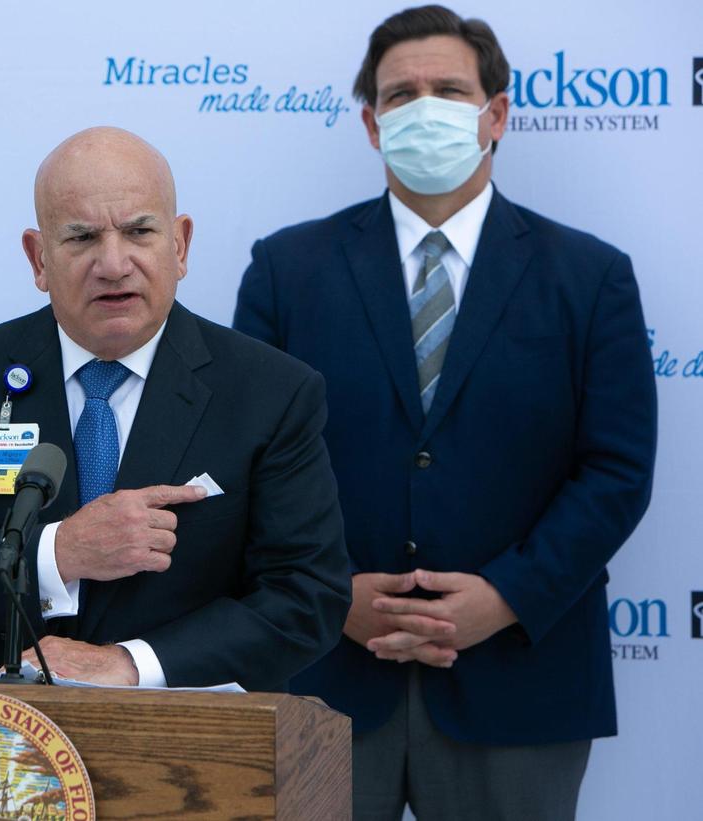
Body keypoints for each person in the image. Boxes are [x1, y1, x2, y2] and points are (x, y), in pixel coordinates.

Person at [233, 6, 657, 819]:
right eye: (401, 94)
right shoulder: (286, 269)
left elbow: (617, 470)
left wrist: (504, 596)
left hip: (521, 687)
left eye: (448, 89)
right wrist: (332, 594)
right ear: (370, 123)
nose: (423, 108)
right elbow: (252, 460)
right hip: (323, 678)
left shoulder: (591, 276)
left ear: (495, 114)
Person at [0, 127, 350, 690]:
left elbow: (307, 597)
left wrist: (132, 664)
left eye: (139, 231)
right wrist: (58, 552)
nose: (113, 263)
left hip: (197, 744)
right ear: (38, 257)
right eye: (81, 238)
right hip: (6, 750)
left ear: (181, 244)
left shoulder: (271, 392)